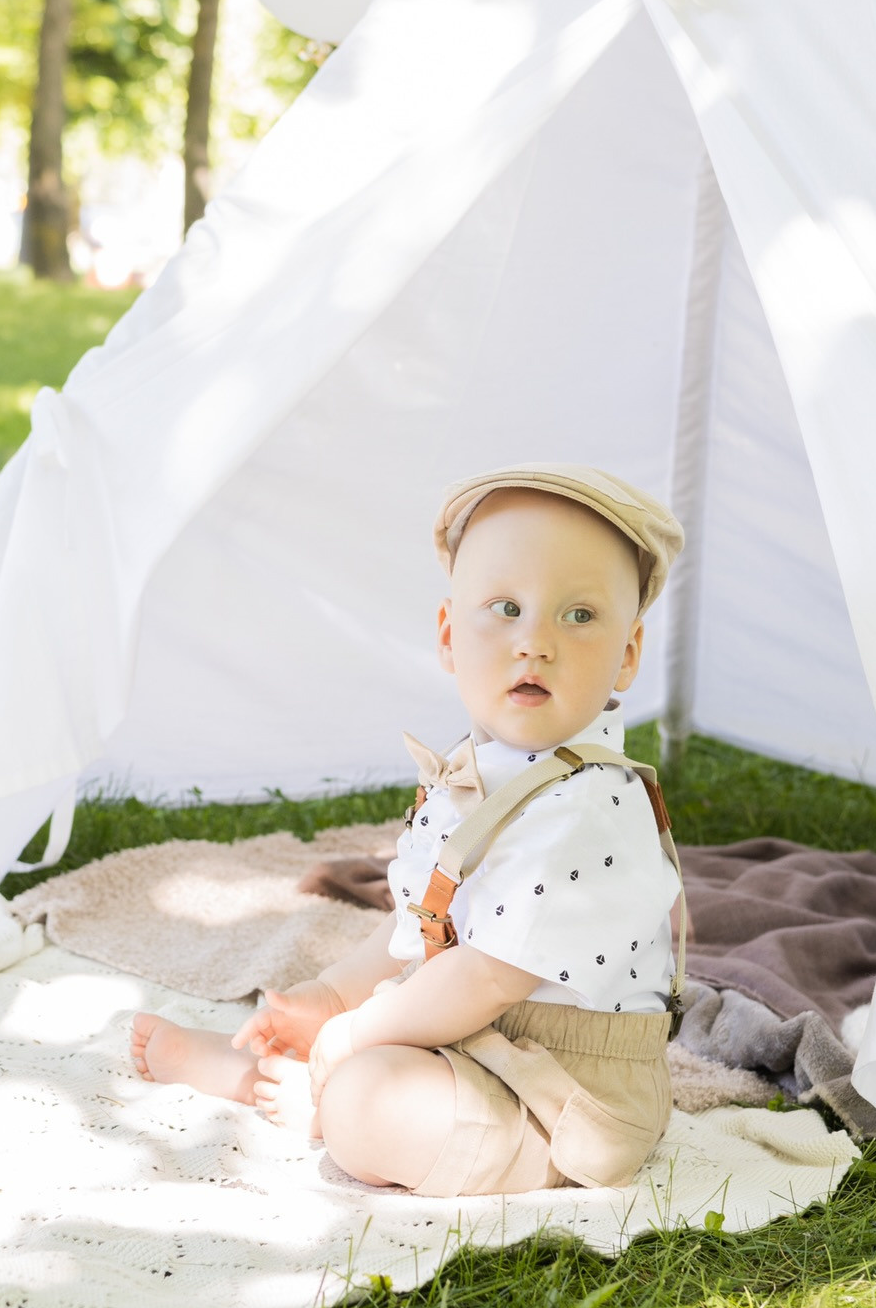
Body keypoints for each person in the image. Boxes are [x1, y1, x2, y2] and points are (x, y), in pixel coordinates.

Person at [129, 466, 687, 1196]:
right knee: (367, 1053)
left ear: (629, 653)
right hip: (466, 1028)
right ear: (450, 635)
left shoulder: (587, 805)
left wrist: (358, 1033)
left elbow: (490, 974)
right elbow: (423, 923)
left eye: (578, 615)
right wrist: (331, 999)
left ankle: (323, 1102)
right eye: (506, 608)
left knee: (372, 1097)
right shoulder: (481, 772)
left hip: (565, 1092)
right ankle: (289, 1078)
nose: (535, 642)